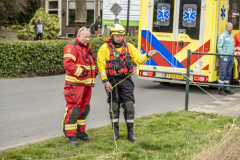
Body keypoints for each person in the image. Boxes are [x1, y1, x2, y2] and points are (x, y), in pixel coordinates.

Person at [97, 24, 157, 142]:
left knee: (129, 106)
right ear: (112, 35)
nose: (119, 38)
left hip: (126, 80)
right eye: (117, 35)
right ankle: (115, 134)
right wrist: (105, 81)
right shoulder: (104, 48)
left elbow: (138, 59)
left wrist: (147, 55)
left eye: (121, 35)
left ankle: (130, 134)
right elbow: (101, 65)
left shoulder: (129, 46)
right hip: (112, 80)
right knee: (114, 106)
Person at [62, 27, 97, 146]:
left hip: (86, 85)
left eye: (89, 36)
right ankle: (70, 135)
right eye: (85, 37)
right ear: (78, 35)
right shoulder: (71, 47)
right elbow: (68, 64)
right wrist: (80, 72)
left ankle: (80, 132)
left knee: (84, 109)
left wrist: (94, 71)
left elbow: (90, 63)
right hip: (75, 85)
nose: (88, 39)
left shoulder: (87, 47)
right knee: (74, 110)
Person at [217, 22, 235, 95]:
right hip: (225, 57)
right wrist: (222, 56)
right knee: (223, 73)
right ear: (226, 27)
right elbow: (219, 46)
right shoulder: (222, 35)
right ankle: (220, 89)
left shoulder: (231, 36)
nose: (231, 28)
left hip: (231, 56)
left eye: (232, 27)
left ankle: (226, 88)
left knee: (228, 73)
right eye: (230, 27)